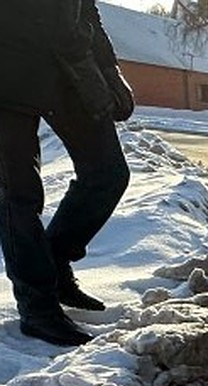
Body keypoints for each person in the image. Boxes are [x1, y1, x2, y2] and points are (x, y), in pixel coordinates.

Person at [0, 1, 135, 347]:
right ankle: (38, 307)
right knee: (17, 197)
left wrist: (109, 68)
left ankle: (55, 263)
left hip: (69, 67)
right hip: (7, 74)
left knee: (108, 173)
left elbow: (86, 8)